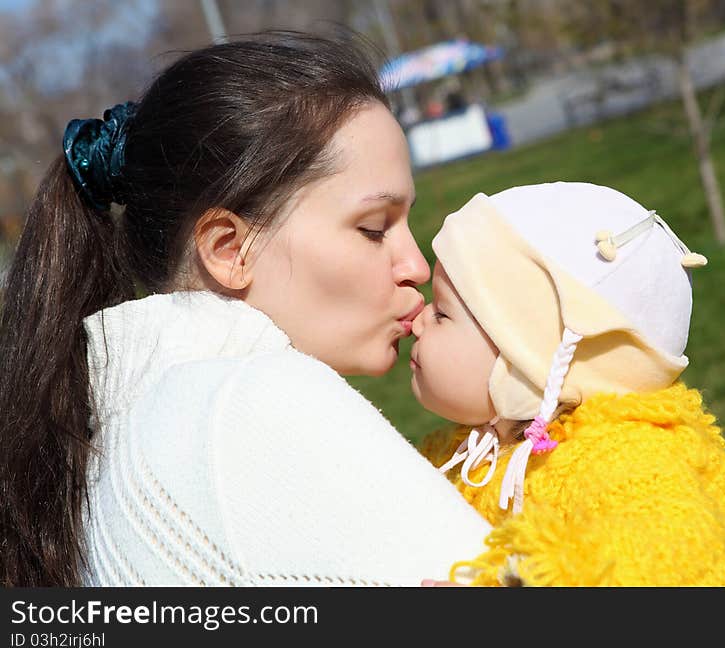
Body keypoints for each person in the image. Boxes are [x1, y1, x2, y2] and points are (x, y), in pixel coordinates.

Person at [0, 32, 494, 587]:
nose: (416, 266)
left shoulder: (127, 429)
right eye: (374, 229)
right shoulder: (251, 402)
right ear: (230, 250)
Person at [411, 182, 725, 586]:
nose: (419, 319)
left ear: (526, 356)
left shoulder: (627, 460)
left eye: (441, 314)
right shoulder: (464, 450)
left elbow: (682, 556)